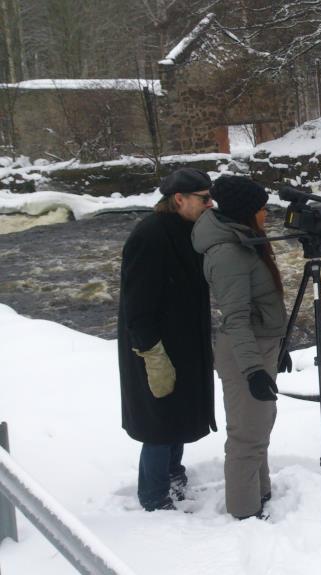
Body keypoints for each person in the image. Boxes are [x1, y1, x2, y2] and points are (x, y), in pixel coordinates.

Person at [118, 167, 217, 512]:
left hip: (184, 342)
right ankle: (153, 496)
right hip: (155, 346)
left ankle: (174, 475)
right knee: (159, 422)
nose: (210, 203)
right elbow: (137, 303)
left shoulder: (190, 229)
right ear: (179, 199)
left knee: (178, 413)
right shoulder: (150, 236)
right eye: (204, 198)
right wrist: (151, 353)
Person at [192, 175, 290, 520]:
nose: (267, 215)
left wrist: (280, 343)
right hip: (243, 353)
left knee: (258, 427)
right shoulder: (228, 253)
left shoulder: (242, 238)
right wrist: (253, 371)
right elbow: (235, 318)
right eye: (263, 210)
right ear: (246, 213)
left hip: (258, 345)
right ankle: (245, 515)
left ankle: (259, 495)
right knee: (246, 438)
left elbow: (257, 306)